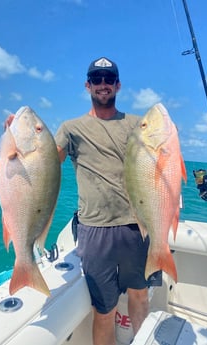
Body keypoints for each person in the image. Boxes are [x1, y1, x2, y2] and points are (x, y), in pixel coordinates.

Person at [55, 57, 157, 345]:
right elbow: (47, 162)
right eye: (96, 79)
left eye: (108, 79)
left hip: (135, 225)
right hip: (94, 229)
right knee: (104, 310)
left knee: (139, 295)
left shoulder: (139, 125)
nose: (103, 85)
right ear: (88, 85)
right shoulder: (71, 128)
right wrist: (17, 138)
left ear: (118, 85)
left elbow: (161, 162)